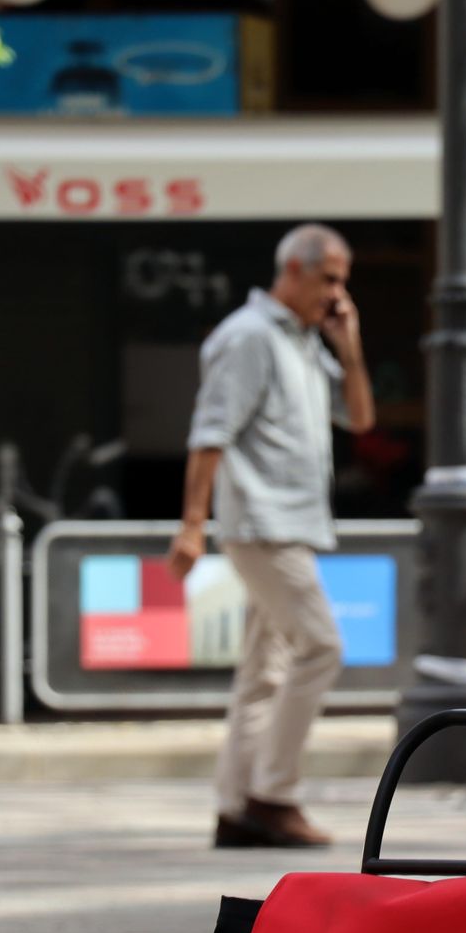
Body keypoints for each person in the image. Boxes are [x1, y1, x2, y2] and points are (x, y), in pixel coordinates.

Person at [168, 223, 375, 850]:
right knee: (321, 648)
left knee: (265, 668)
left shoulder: (304, 341)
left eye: (344, 280)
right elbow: (210, 433)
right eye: (329, 278)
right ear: (293, 271)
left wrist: (351, 346)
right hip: (263, 524)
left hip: (289, 524)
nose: (337, 293)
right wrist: (191, 525)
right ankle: (272, 795)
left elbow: (360, 418)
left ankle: (235, 810)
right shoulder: (250, 336)